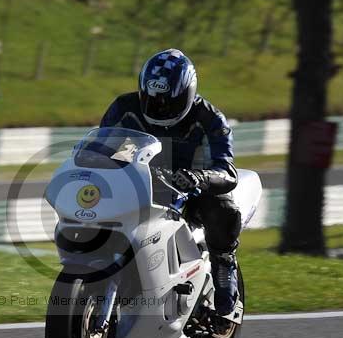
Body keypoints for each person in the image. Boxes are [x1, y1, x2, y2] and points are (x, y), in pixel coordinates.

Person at [99, 48, 242, 320]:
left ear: (187, 93)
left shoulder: (210, 119)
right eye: (152, 100)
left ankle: (224, 269)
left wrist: (199, 177)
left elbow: (227, 171)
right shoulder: (124, 108)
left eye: (168, 101)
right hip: (140, 179)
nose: (160, 107)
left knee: (223, 209)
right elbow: (101, 147)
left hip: (191, 189)